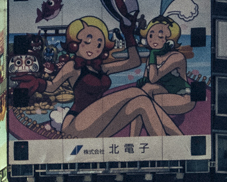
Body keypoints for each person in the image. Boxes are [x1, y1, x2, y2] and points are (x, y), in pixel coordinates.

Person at [41, 16, 178, 139]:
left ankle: (173, 140)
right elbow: (52, 87)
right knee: (135, 92)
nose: (94, 47)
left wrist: (129, 35)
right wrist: (34, 83)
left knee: (142, 102)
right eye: (88, 41)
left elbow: (133, 62)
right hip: (75, 126)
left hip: (98, 124)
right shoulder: (73, 66)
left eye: (99, 44)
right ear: (75, 42)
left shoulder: (100, 68)